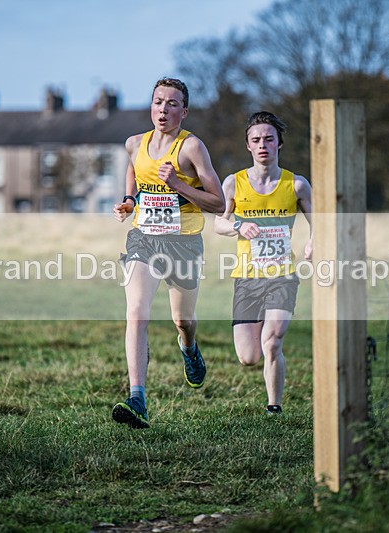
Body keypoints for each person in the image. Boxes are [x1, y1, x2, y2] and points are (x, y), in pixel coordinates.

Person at [111, 77, 225, 429]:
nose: (163, 109)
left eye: (172, 103)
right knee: (136, 313)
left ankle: (189, 348)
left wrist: (176, 184)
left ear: (183, 112)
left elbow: (219, 203)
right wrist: (130, 201)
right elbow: (134, 169)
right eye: (158, 101)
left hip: (183, 243)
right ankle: (138, 399)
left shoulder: (192, 148)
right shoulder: (134, 143)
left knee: (183, 321)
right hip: (144, 239)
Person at [214, 111, 312, 416]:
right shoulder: (234, 183)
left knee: (272, 341)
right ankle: (270, 393)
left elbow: (320, 221)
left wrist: (314, 241)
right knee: (249, 357)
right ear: (248, 145)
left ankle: (274, 406)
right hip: (247, 278)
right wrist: (238, 226)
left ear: (279, 143)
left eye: (269, 139)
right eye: (256, 140)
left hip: (283, 275)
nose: (262, 145)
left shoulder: (296, 185)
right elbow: (218, 223)